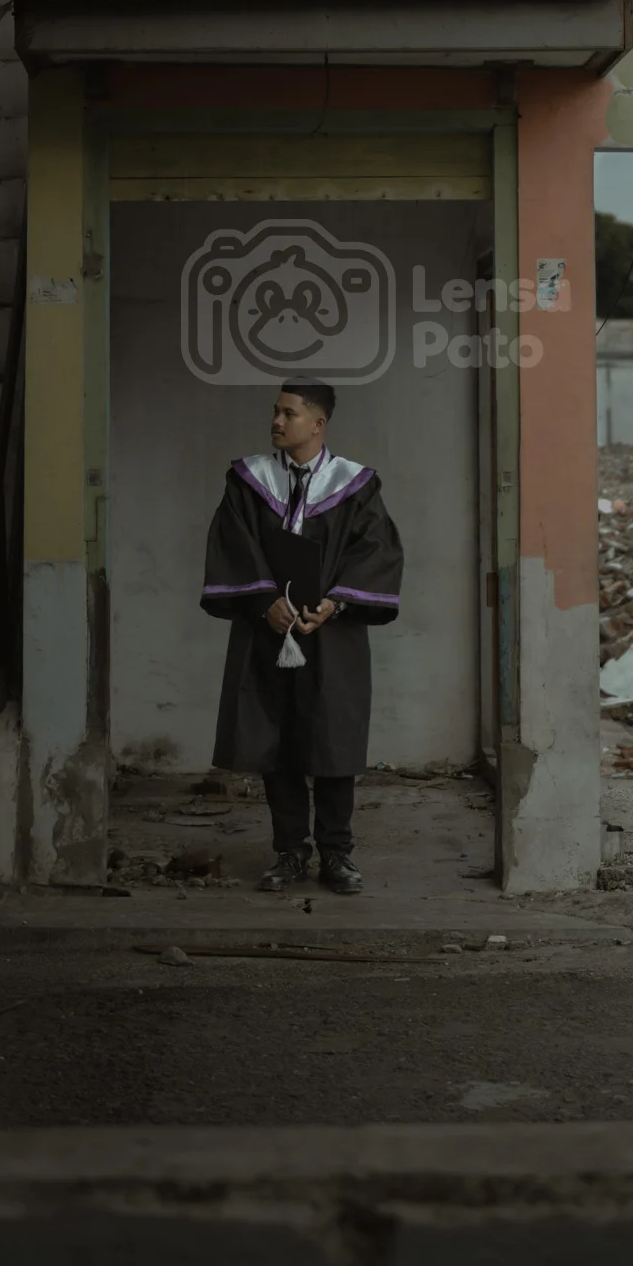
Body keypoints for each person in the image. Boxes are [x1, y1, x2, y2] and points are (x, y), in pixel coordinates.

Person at [201, 382, 403, 894]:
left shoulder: (356, 485)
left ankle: (336, 853)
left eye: (288, 412)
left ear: (317, 424)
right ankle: (290, 851)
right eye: (275, 411)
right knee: (278, 740)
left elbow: (375, 552)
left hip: (330, 633)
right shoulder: (248, 481)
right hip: (267, 629)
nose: (276, 420)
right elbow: (234, 542)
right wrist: (262, 599)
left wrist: (335, 603)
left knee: (333, 739)